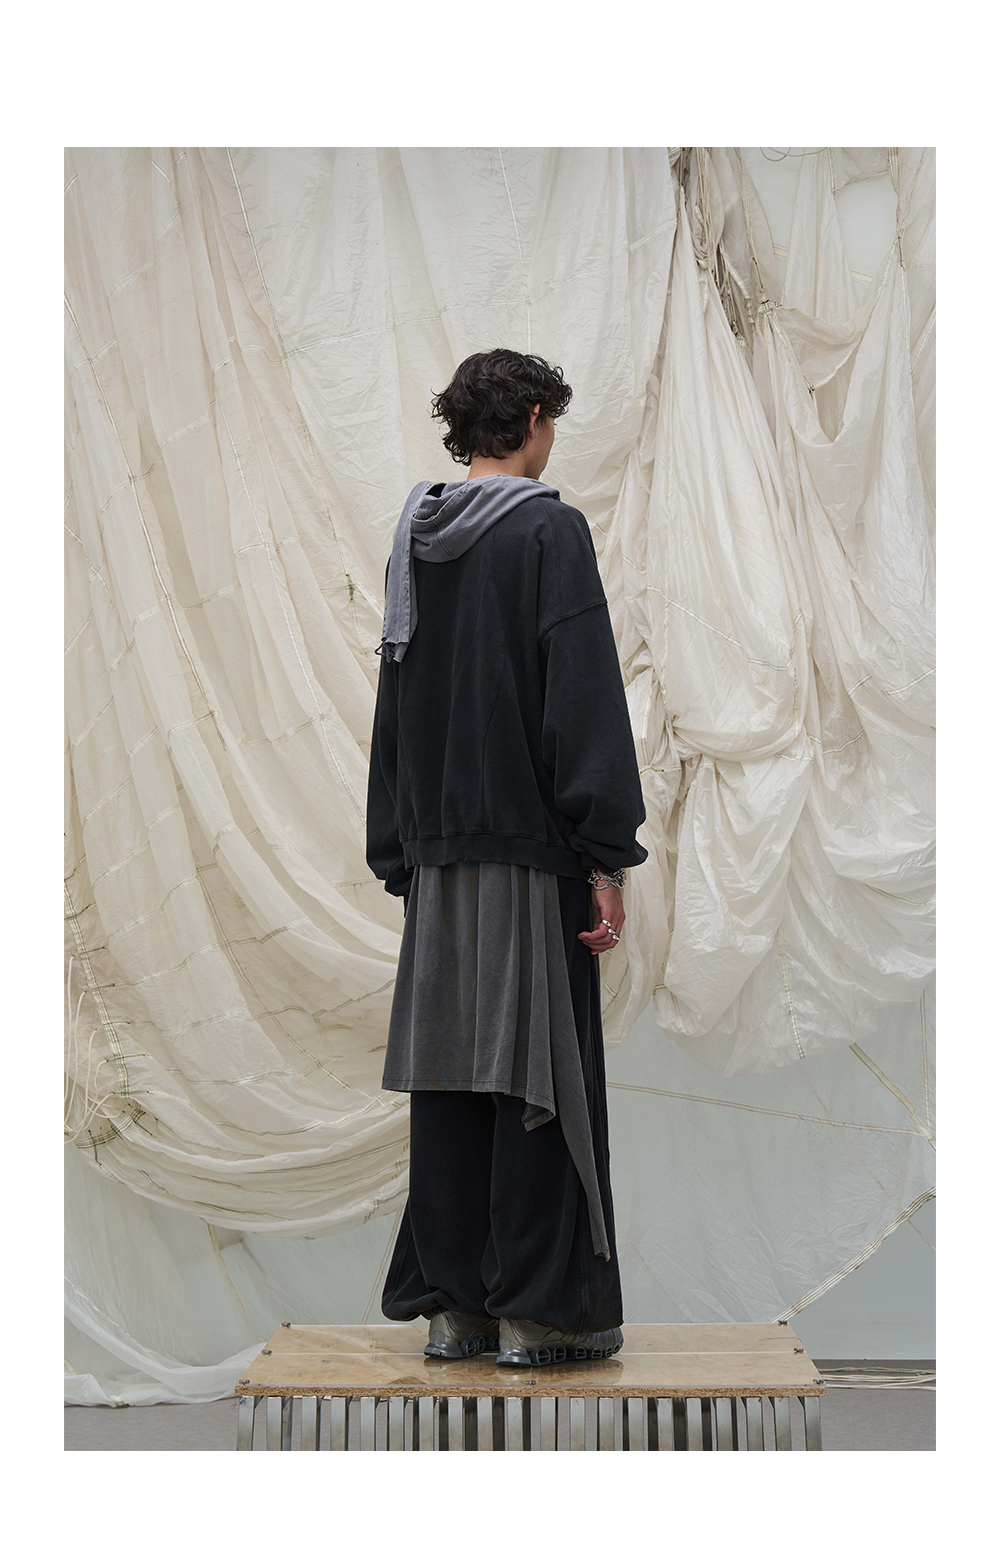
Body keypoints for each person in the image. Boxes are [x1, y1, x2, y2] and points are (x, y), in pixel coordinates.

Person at [365, 347, 648, 1369]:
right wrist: (604, 858)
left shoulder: (414, 537)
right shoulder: (547, 531)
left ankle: (457, 1310)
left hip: (441, 862)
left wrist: (402, 849)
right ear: (531, 418)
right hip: (531, 861)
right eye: (551, 423)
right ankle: (540, 1314)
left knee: (451, 1082)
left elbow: (394, 701)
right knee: (538, 1077)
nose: (551, 441)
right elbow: (580, 697)